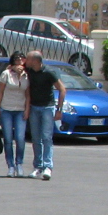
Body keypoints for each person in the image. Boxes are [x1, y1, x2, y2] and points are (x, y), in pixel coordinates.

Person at [24, 51, 65, 181]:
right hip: (34, 107)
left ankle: (48, 167)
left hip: (47, 107)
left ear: (35, 61)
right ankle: (38, 166)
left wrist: (59, 109)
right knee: (36, 138)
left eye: (29, 59)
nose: (26, 61)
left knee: (47, 137)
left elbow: (62, 89)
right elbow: (13, 67)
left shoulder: (48, 72)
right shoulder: (29, 71)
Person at [0, 51, 29, 177]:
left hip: (20, 109)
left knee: (20, 138)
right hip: (6, 109)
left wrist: (27, 110)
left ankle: (19, 164)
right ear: (13, 61)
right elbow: (0, 92)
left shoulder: (27, 75)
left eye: (21, 59)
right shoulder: (6, 74)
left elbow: (28, 95)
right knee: (8, 139)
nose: (19, 61)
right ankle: (10, 166)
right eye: (17, 59)